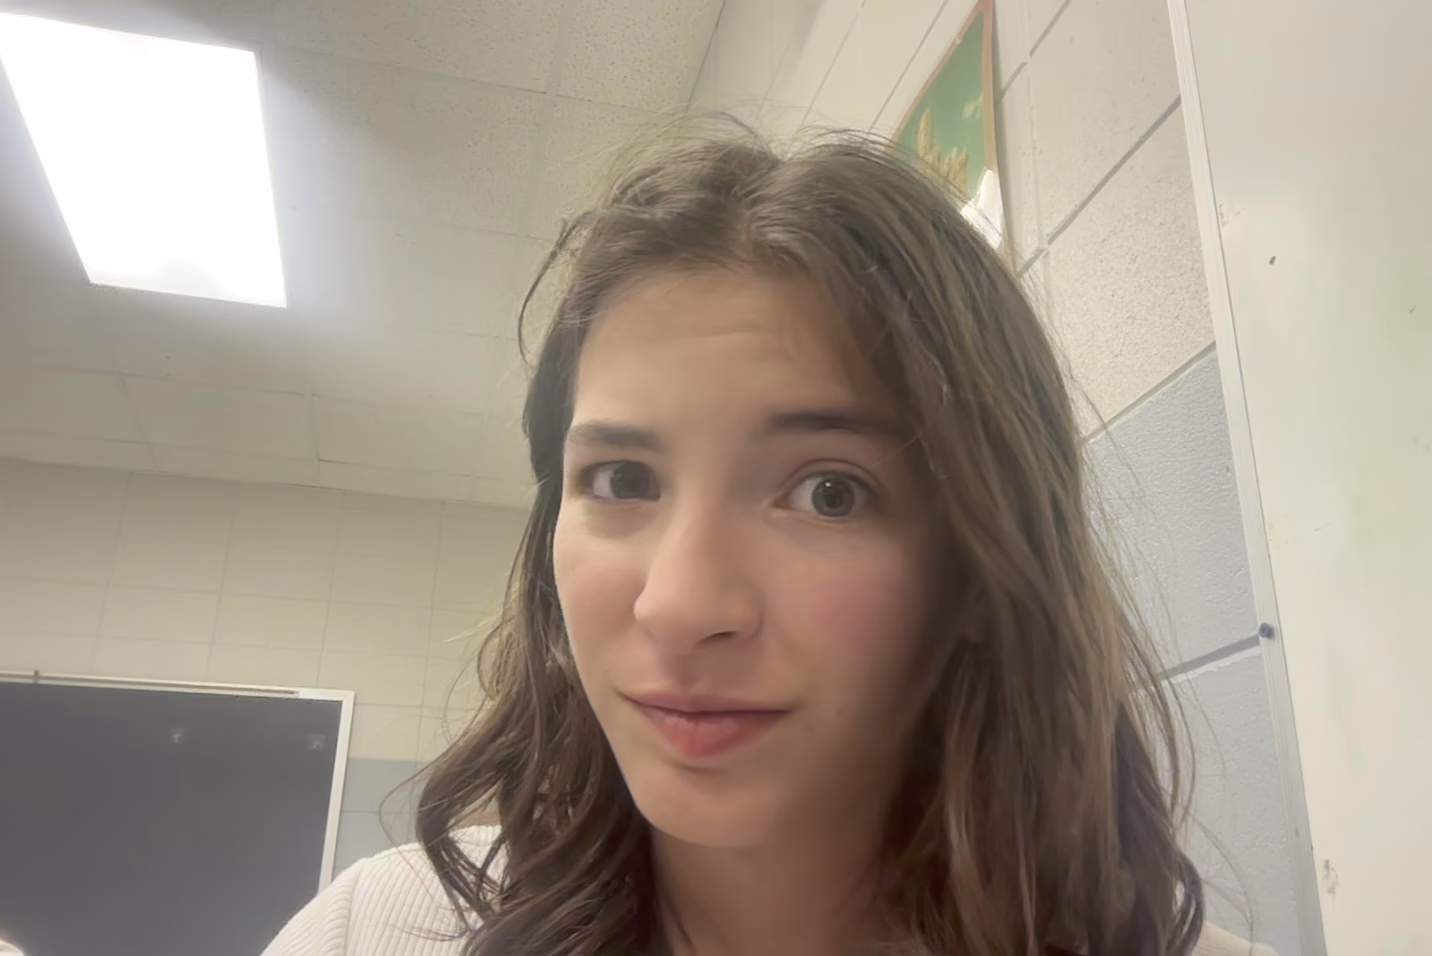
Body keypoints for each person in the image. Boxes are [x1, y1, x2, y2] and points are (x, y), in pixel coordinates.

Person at [265, 124, 1268, 956]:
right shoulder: (375, 933)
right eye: (622, 479)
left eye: (829, 492)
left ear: (976, 570)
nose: (679, 605)